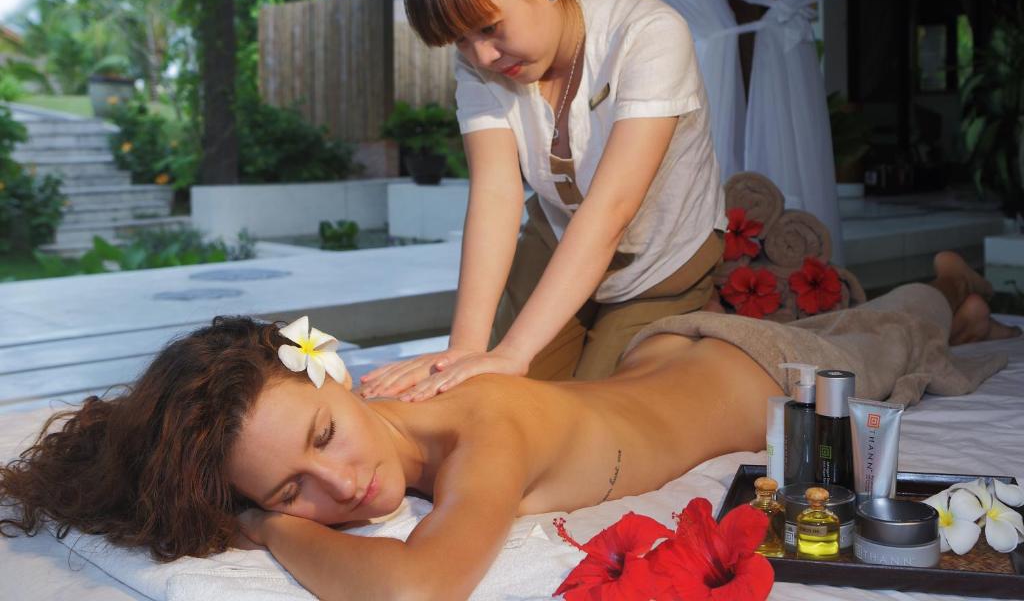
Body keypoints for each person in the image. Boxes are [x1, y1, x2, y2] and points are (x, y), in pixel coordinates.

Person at [0, 252, 1016, 600]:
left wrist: (265, 522)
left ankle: (950, 291)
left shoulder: (479, 435)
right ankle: (947, 308)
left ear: (333, 371)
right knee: (870, 327)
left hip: (758, 372)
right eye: (289, 490)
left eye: (322, 437)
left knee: (904, 330)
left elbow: (418, 587)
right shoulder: (390, 409)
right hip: (662, 358)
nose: (340, 487)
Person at [361, 0, 727, 400]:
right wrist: (465, 348)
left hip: (658, 259)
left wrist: (513, 352)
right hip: (557, 238)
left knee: (583, 413)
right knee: (485, 394)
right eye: (460, 41)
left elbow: (611, 210)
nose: (482, 56)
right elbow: (496, 192)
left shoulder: (648, 34)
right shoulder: (481, 63)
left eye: (490, 28)